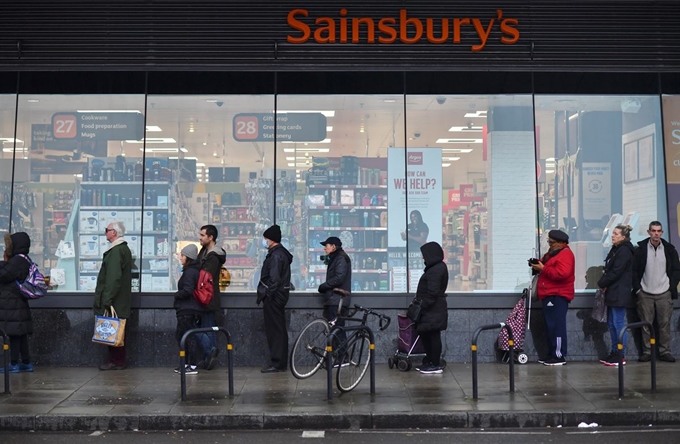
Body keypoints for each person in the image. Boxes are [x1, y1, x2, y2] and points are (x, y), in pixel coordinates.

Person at [633, 221, 680, 363]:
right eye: (653, 231)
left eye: (658, 231)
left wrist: (671, 286)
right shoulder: (640, 249)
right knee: (646, 324)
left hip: (664, 292)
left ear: (662, 233)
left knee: (664, 324)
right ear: (648, 232)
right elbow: (634, 270)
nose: (656, 234)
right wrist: (637, 289)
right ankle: (647, 352)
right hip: (645, 292)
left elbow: (677, 270)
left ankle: (664, 351)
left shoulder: (669, 249)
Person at [530, 229, 575, 366]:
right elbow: (546, 266)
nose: (549, 244)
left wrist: (543, 268)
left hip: (558, 295)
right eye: (549, 241)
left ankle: (558, 355)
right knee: (550, 326)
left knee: (557, 326)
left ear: (561, 243)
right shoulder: (552, 254)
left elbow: (562, 274)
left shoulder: (566, 255)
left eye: (552, 242)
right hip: (549, 294)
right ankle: (551, 354)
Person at [94, 222, 133, 371]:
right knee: (116, 330)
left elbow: (113, 277)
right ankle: (117, 361)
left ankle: (116, 361)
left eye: (107, 230)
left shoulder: (117, 251)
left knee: (115, 330)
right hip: (118, 299)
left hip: (115, 300)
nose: (105, 233)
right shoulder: (121, 249)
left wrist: (107, 298)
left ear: (114, 233)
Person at [597, 224, 635, 366]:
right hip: (614, 291)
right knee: (612, 324)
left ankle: (620, 354)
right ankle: (614, 352)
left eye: (616, 234)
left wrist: (602, 282)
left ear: (623, 237)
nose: (613, 235)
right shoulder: (616, 249)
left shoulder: (624, 251)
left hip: (620, 292)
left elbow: (616, 271)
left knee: (618, 323)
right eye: (612, 233)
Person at [257, 224, 293, 373]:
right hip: (278, 296)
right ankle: (279, 362)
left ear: (272, 240)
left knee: (275, 330)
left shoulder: (277, 255)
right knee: (277, 329)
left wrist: (268, 294)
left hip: (274, 297)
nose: (264, 241)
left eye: (266, 238)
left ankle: (278, 363)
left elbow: (274, 278)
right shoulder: (278, 253)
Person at [0, 232, 35, 373]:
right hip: (18, 302)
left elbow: (3, 275)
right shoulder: (25, 259)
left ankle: (13, 364)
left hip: (12, 303)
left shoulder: (17, 261)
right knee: (21, 334)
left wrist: (3, 261)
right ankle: (26, 362)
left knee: (14, 333)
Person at [414, 241, 449, 374]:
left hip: (432, 310)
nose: (423, 258)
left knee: (433, 336)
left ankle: (434, 364)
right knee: (427, 334)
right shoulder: (437, 267)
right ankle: (431, 360)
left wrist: (421, 305)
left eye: (424, 255)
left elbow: (432, 293)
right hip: (432, 310)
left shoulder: (435, 270)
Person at [196, 224, 226, 370]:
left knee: (206, 328)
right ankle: (208, 357)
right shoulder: (204, 252)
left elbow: (205, 277)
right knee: (207, 327)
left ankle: (210, 353)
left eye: (202, 235)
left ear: (211, 237)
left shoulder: (213, 257)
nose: (200, 237)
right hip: (204, 297)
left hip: (207, 297)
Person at [317, 236, 351, 365]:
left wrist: (324, 286)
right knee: (336, 329)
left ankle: (342, 358)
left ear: (334, 246)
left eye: (327, 245)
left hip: (337, 300)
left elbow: (339, 278)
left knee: (337, 329)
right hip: (335, 299)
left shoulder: (341, 258)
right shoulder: (337, 258)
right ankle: (340, 356)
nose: (325, 248)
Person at [173, 244, 203, 375]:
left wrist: (176, 294)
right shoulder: (192, 270)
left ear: (188, 257)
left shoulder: (190, 272)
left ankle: (191, 365)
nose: (181, 257)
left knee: (186, 337)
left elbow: (188, 290)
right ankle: (186, 364)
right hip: (188, 308)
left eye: (183, 255)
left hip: (187, 309)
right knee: (183, 336)